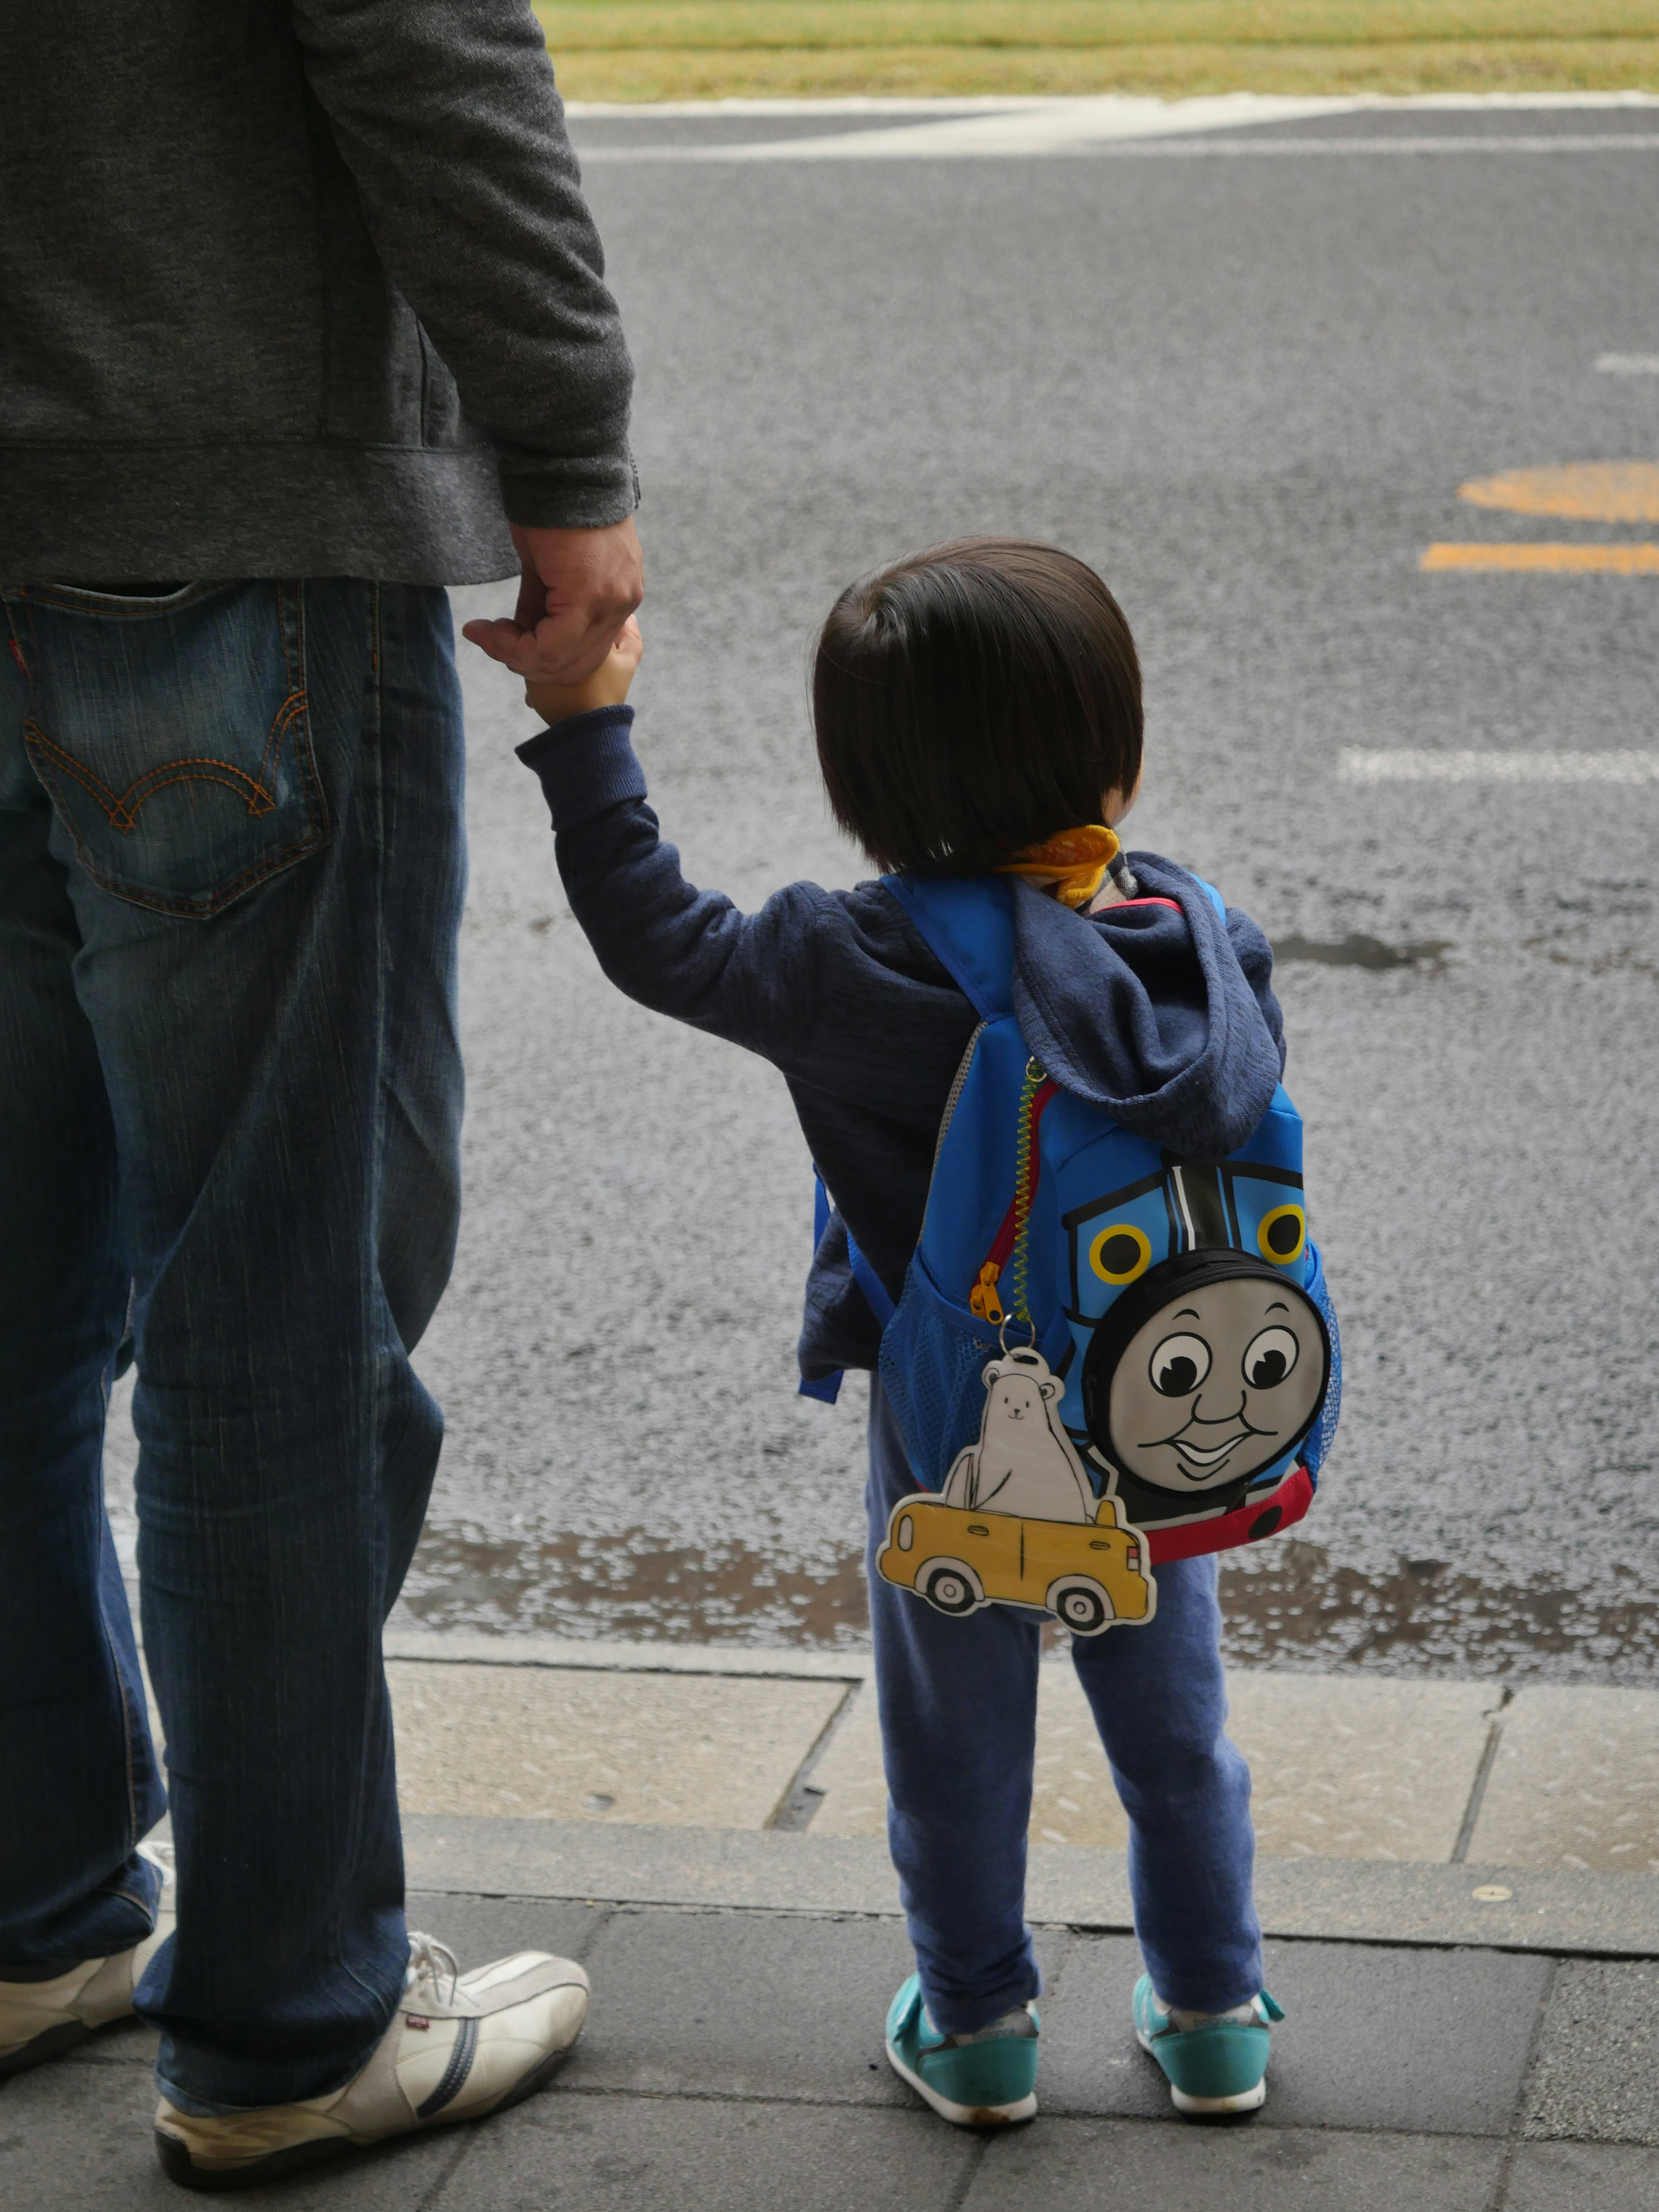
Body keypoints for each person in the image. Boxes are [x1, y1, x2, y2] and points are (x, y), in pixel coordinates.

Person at [0, 0, 639, 2189]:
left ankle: (36, 1909)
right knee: (273, 1301)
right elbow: (424, 45)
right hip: (227, 513)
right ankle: (288, 2021)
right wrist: (567, 454)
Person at [501, 539, 1297, 2125]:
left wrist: (587, 714)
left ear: (865, 786)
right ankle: (1215, 2012)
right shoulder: (1196, 940)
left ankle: (980, 2024)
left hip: (956, 1429)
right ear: (1116, 754)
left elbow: (651, 931)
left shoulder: (846, 957)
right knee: (1176, 1724)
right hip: (1162, 1407)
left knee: (956, 1731)